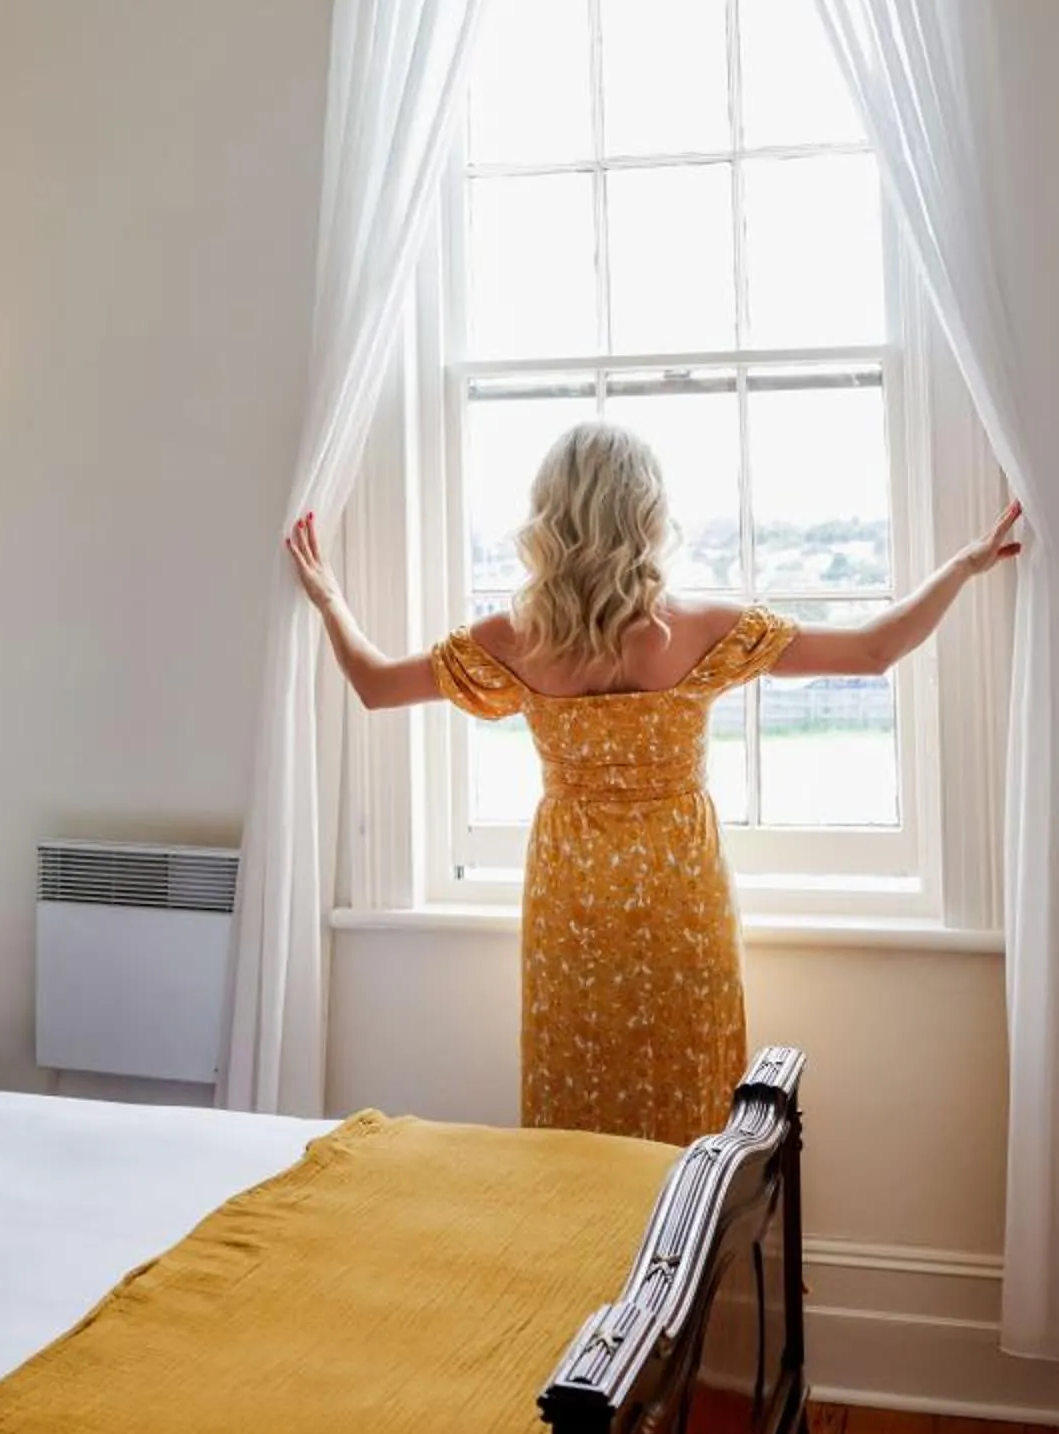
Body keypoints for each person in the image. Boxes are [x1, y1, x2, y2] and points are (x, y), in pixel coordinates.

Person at [285, 421, 1022, 1146]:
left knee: (578, 1085)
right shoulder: (698, 627)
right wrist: (961, 566)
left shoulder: (515, 639)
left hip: (570, 892)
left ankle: (588, 1261)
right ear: (646, 514)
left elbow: (376, 685)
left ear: (552, 515)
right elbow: (871, 650)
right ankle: (691, 1253)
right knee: (690, 1080)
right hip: (678, 886)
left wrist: (328, 600)